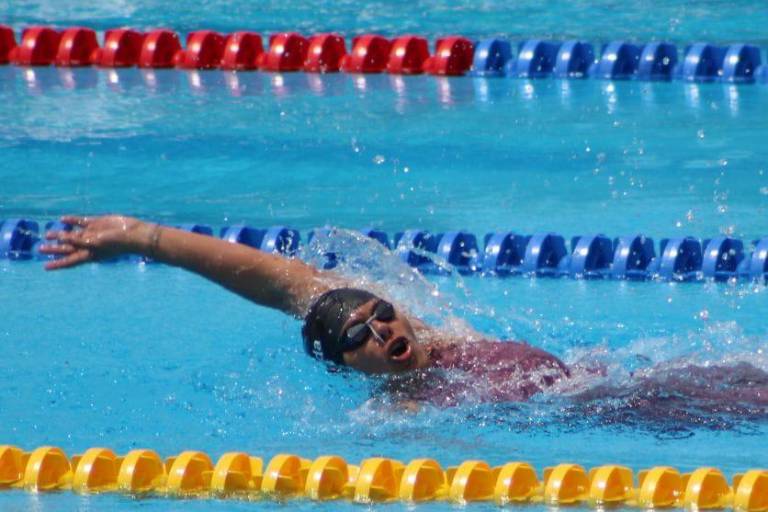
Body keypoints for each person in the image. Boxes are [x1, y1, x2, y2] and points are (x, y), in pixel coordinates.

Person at [40, 214, 571, 403]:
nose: (380, 332)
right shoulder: (400, 410)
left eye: (380, 314)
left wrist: (144, 236)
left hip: (611, 381)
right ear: (344, 365)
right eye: (356, 337)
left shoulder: (435, 335)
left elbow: (277, 281)